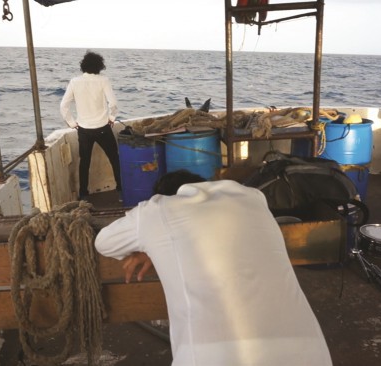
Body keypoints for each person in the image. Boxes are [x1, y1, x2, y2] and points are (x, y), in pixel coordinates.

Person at [95, 170, 332, 365]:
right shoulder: (253, 199)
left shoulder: (157, 209)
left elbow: (104, 242)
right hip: (309, 352)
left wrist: (148, 245)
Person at [60, 51, 121, 199]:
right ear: (100, 66)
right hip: (103, 128)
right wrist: (112, 118)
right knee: (114, 158)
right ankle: (121, 190)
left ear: (83, 66)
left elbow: (64, 105)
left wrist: (72, 123)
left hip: (84, 130)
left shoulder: (74, 82)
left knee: (84, 163)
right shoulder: (103, 80)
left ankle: (83, 194)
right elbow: (113, 103)